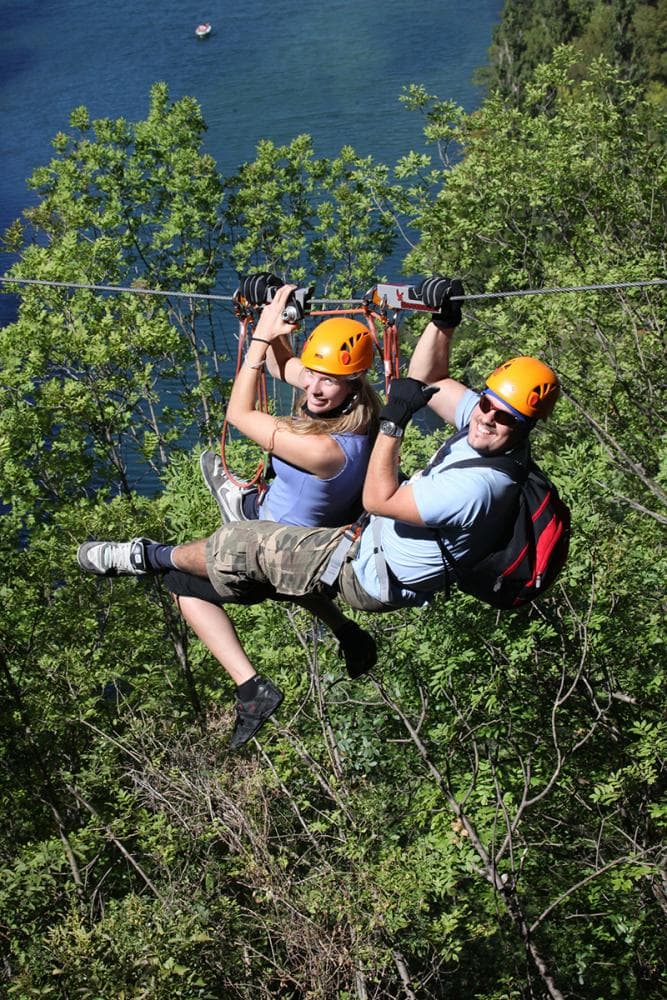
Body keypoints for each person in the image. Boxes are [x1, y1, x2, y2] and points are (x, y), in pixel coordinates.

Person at [78, 276, 561, 748]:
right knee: (285, 566)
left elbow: (378, 500)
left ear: (526, 426)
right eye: (487, 405)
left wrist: (393, 421)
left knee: (236, 546)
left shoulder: (477, 486)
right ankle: (335, 636)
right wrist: (443, 321)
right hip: (366, 544)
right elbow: (430, 379)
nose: (486, 418)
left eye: (504, 417)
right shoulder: (479, 428)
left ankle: (144, 556)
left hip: (371, 573)